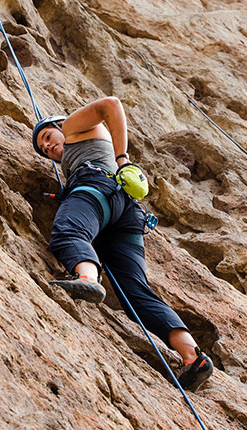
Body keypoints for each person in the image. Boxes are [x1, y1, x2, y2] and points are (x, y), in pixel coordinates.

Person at [32, 96, 213, 392]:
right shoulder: (73, 155)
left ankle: (87, 278)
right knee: (136, 295)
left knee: (68, 232)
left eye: (48, 137)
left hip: (97, 187)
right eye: (43, 149)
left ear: (58, 126)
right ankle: (193, 357)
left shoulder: (73, 127)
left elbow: (111, 105)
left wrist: (122, 159)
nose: (48, 147)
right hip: (126, 212)